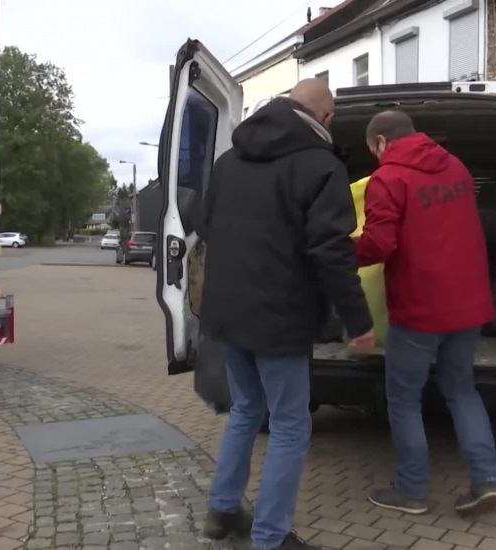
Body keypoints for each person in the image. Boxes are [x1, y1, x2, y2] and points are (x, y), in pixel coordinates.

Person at [200, 79, 375, 550]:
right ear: (326, 119)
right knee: (291, 425)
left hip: (226, 313)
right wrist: (358, 321)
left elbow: (205, 224)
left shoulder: (229, 160)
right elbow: (332, 251)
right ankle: (271, 539)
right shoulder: (320, 165)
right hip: (279, 319)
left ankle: (223, 511)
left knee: (244, 411)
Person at [354, 110, 496, 516]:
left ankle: (411, 491)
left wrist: (339, 252)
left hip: (419, 309)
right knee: (461, 390)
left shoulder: (388, 179)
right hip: (468, 304)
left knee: (404, 399)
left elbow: (379, 245)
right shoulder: (455, 166)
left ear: (382, 142)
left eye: (373, 150)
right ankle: (486, 481)